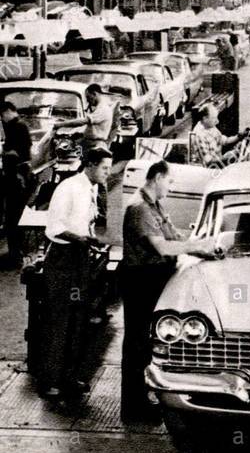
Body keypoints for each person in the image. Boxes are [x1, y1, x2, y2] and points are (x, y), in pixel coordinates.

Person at [119, 160, 224, 423]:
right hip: (140, 281)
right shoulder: (139, 208)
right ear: (156, 178)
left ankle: (141, 401)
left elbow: (174, 235)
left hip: (152, 279)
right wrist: (197, 248)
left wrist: (201, 245)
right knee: (137, 345)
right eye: (169, 180)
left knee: (147, 343)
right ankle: (132, 408)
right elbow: (162, 248)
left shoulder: (154, 205)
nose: (171, 185)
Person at [41, 147, 113, 399]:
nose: (108, 172)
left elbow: (85, 222)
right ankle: (52, 382)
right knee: (61, 320)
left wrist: (91, 240)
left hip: (80, 258)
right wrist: (82, 240)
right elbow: (55, 227)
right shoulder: (68, 187)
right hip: (63, 260)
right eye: (105, 168)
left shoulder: (91, 188)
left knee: (77, 320)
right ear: (91, 165)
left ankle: (69, 376)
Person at [53, 83, 115, 228]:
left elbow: (85, 121)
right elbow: (89, 128)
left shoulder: (103, 109)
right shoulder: (100, 108)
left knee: (99, 181)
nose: (89, 102)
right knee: (86, 179)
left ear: (95, 93)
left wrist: (61, 125)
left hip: (97, 146)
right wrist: (78, 135)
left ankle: (102, 214)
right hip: (90, 145)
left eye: (89, 98)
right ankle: (88, 211)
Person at [0, 101, 32, 268]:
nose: (2, 119)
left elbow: (20, 153)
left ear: (8, 111)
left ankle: (16, 255)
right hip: (16, 177)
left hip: (16, 178)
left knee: (14, 217)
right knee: (13, 217)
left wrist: (7, 152)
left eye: (2, 115)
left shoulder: (17, 127)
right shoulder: (17, 126)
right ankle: (15, 253)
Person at [191, 104, 249, 168]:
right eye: (214, 118)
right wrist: (229, 157)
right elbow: (208, 162)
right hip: (209, 170)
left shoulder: (209, 126)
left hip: (218, 163)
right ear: (205, 118)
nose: (217, 121)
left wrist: (239, 136)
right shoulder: (199, 135)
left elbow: (225, 141)